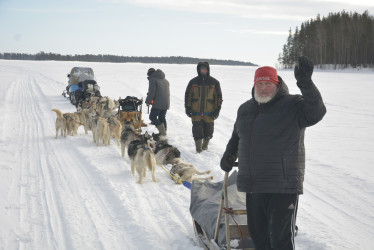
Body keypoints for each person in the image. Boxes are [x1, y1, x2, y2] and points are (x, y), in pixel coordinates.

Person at [220, 56, 326, 249]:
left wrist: (306, 84)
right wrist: (229, 154)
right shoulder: (245, 109)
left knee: (280, 240)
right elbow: (237, 136)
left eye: (268, 83)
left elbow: (316, 112)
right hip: (254, 186)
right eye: (259, 83)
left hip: (283, 186)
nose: (263, 87)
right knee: (259, 237)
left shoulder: (293, 105)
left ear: (277, 84)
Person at [184, 62, 222, 153]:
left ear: (208, 70)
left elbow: (219, 97)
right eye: (202, 69)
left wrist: (217, 110)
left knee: (209, 131)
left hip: (210, 112)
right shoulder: (193, 82)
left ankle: (205, 147)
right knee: (197, 131)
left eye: (205, 69)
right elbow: (188, 95)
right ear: (199, 70)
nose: (203, 70)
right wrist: (187, 107)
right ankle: (198, 149)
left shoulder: (214, 82)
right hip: (196, 112)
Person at [145, 68, 170, 136]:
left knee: (152, 117)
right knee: (162, 117)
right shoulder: (165, 80)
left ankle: (163, 133)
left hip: (158, 103)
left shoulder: (153, 79)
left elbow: (152, 92)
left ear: (150, 74)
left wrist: (148, 101)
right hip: (166, 102)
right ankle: (164, 132)